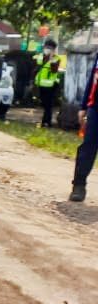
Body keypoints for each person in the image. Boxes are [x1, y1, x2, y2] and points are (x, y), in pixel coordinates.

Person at [70, 54, 98, 202]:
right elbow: (93, 79)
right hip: (96, 106)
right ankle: (79, 185)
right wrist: (83, 106)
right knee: (88, 146)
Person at [34, 39, 62, 128]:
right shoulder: (40, 56)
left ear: (53, 49)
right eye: (46, 47)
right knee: (44, 104)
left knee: (48, 105)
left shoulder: (56, 58)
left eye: (49, 48)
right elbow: (37, 67)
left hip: (51, 85)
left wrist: (51, 58)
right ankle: (45, 122)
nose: (47, 49)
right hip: (40, 84)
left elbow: (54, 70)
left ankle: (46, 123)